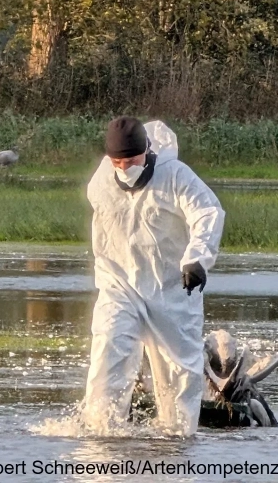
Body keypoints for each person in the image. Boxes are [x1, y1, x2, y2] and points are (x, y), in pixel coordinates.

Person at [81, 116, 225, 436]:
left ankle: (175, 441)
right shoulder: (101, 181)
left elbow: (207, 213)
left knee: (178, 372)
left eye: (131, 160)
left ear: (146, 150)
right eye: (117, 161)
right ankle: (101, 437)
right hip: (119, 285)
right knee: (107, 354)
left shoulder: (175, 176)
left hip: (172, 290)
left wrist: (196, 260)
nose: (124, 167)